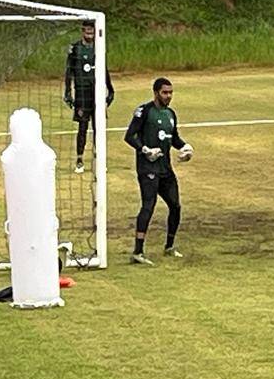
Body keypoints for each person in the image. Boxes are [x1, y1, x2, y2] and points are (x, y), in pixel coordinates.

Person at [124, 77, 193, 266]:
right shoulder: (144, 111)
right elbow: (129, 136)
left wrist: (186, 147)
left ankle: (169, 246)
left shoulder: (171, 114)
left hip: (165, 168)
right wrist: (145, 149)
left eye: (171, 92)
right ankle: (138, 252)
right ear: (156, 93)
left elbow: (174, 139)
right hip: (148, 168)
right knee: (149, 205)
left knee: (176, 206)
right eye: (165, 92)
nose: (168, 96)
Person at [64, 20, 114, 174]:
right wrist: (67, 92)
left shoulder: (99, 47)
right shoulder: (75, 49)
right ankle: (79, 160)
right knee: (83, 127)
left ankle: (99, 160)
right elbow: (69, 72)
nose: (89, 34)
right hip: (82, 93)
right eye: (87, 31)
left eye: (92, 31)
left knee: (98, 127)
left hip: (97, 93)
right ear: (82, 31)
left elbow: (104, 70)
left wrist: (110, 90)